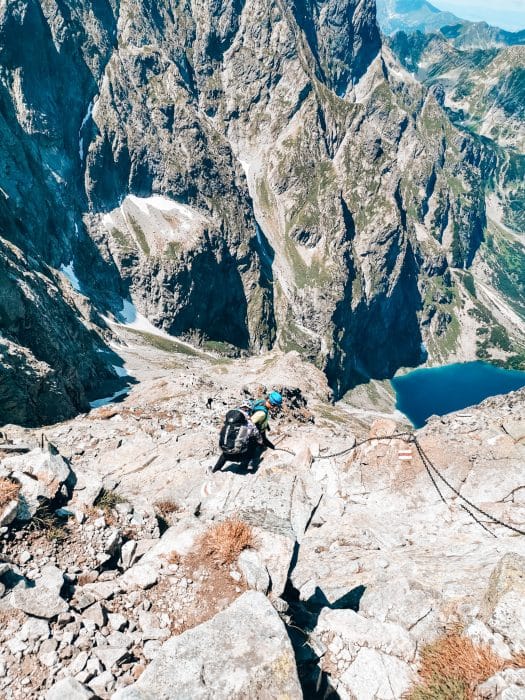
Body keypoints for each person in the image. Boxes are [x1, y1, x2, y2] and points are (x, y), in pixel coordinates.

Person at [211, 391, 283, 473]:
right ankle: (249, 465)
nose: (276, 408)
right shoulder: (262, 413)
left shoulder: (260, 402)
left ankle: (215, 470)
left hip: (239, 438)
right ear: (273, 405)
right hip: (247, 437)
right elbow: (250, 424)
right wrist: (270, 445)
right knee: (254, 447)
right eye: (276, 406)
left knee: (225, 455)